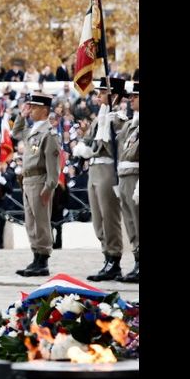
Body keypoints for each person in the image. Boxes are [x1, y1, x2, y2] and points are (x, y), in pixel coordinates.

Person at [72, 77, 126, 281]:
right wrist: (82, 148)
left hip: (107, 169)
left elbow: (116, 148)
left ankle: (114, 259)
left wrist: (111, 124)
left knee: (109, 217)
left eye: (103, 93)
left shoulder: (119, 119)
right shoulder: (99, 118)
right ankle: (106, 255)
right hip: (94, 170)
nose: (98, 97)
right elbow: (88, 141)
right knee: (98, 219)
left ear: (114, 96)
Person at [12, 93, 59, 276]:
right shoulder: (33, 131)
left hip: (40, 180)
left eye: (34, 107)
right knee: (31, 223)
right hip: (28, 180)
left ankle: (43, 259)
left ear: (45, 110)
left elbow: (53, 165)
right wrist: (21, 116)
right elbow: (16, 133)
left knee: (41, 222)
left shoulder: (49, 133)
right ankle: (36, 257)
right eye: (30, 106)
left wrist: (49, 187)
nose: (30, 110)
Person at [116, 82, 139, 282]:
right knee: (130, 222)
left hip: (135, 176)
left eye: (135, 97)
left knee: (137, 221)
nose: (131, 100)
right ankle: (137, 260)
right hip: (125, 175)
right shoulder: (132, 124)